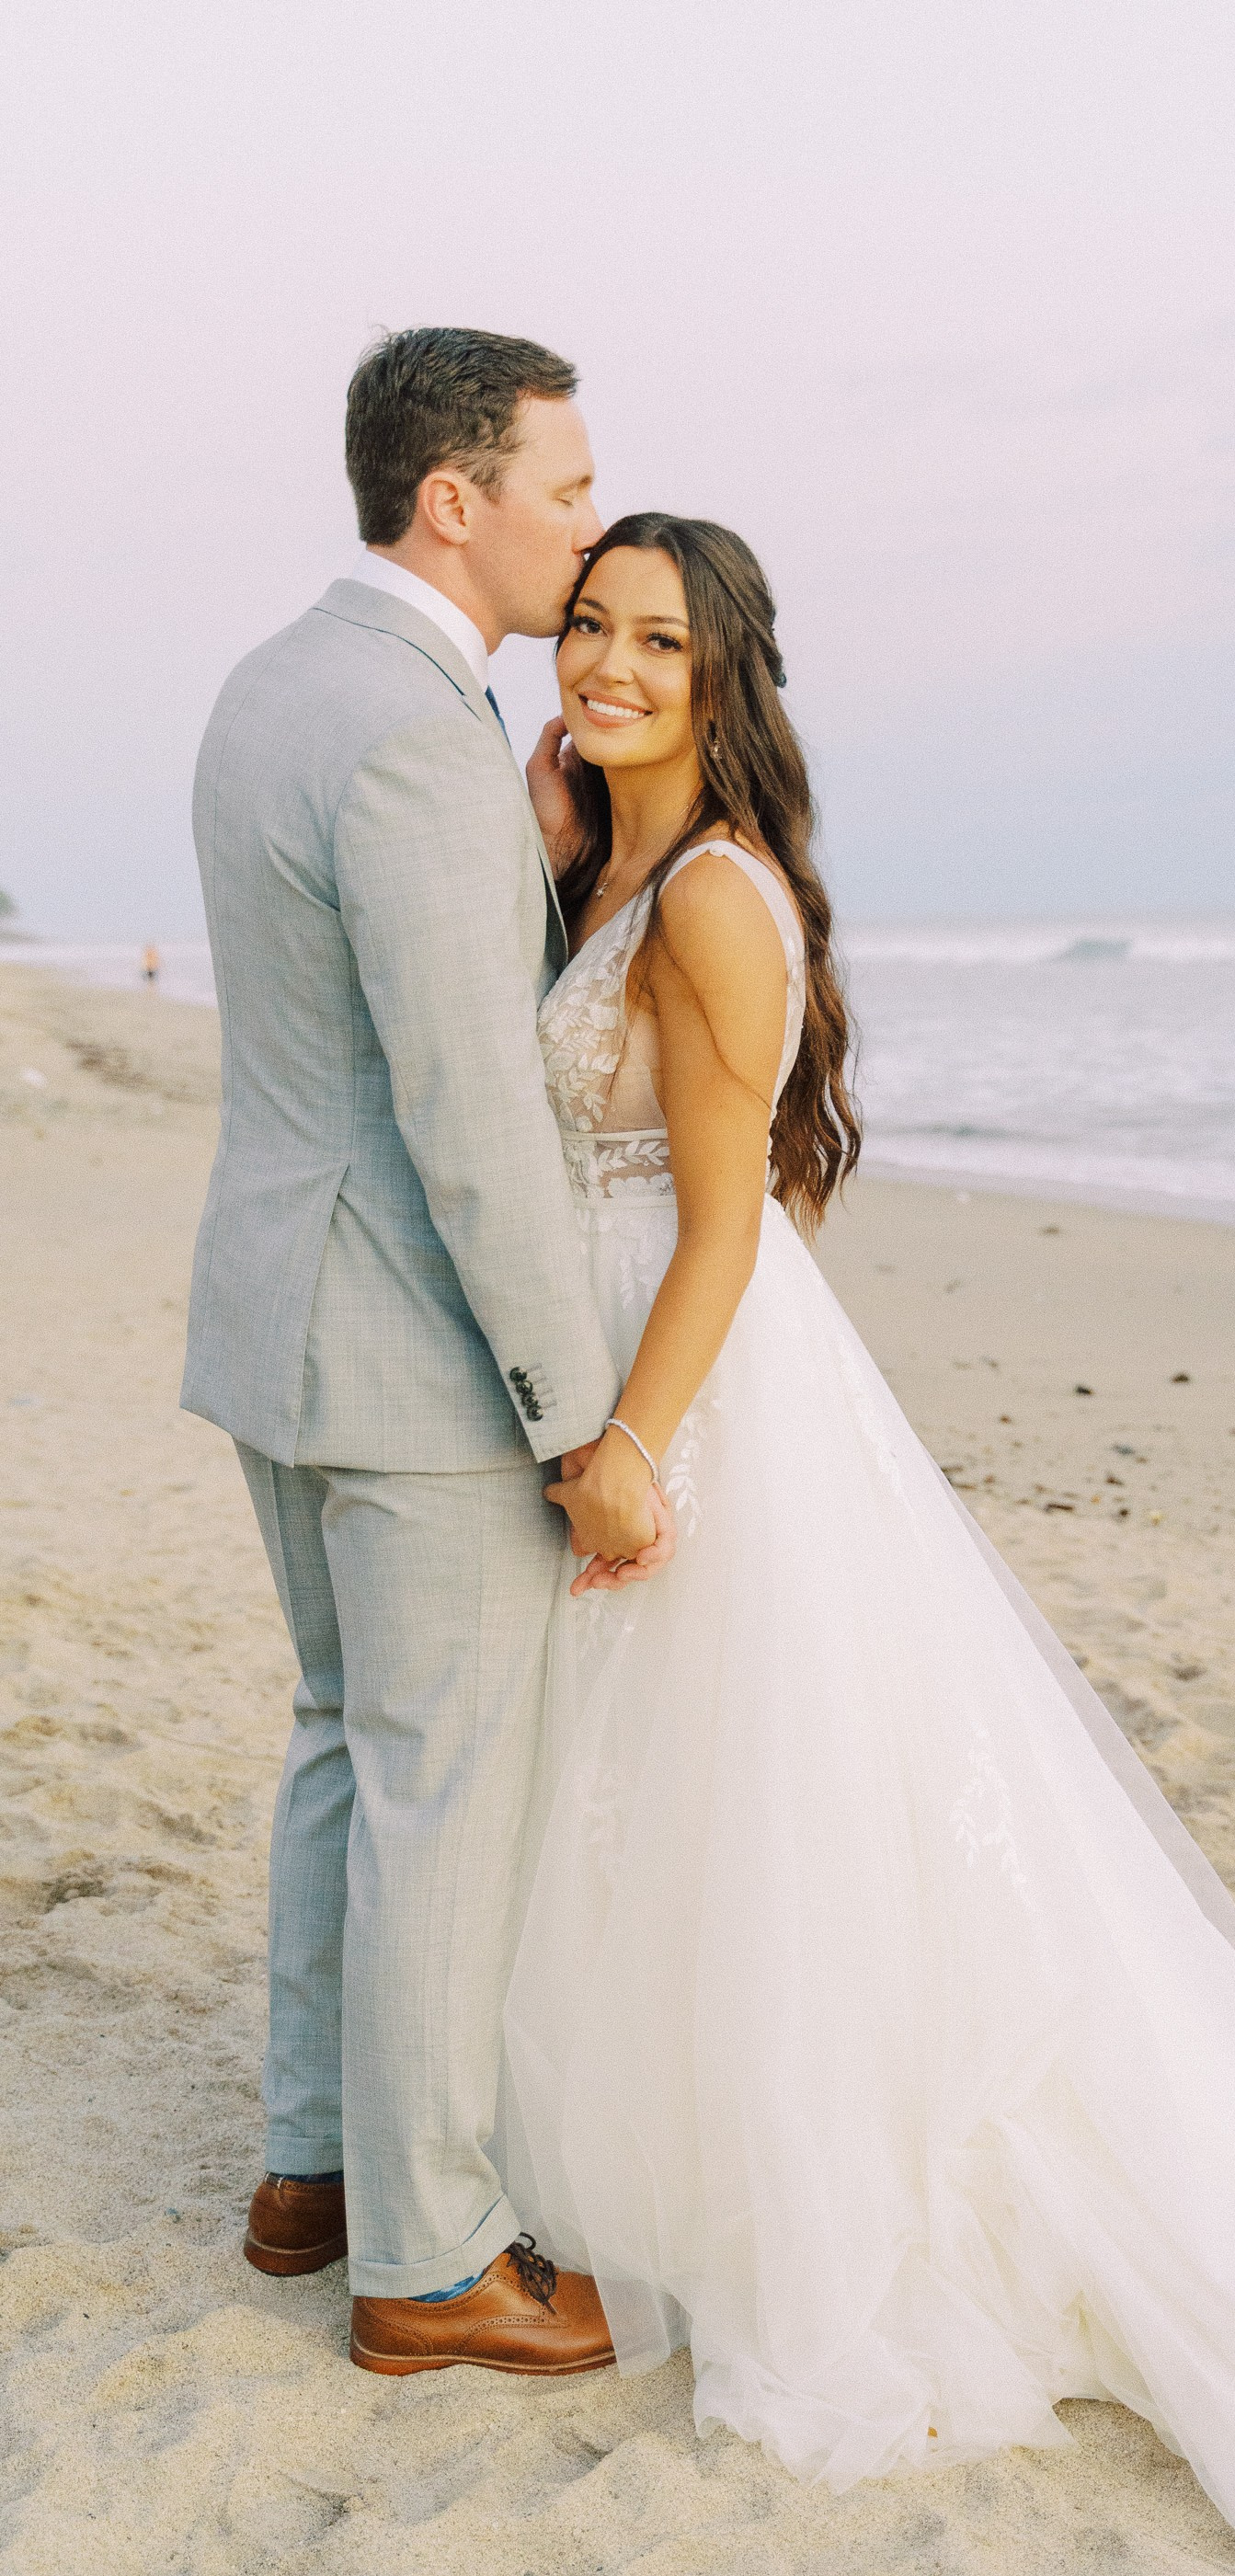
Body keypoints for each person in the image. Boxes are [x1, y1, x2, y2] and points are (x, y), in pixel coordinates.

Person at [497, 514, 1235, 2560]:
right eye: (587, 624)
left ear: (723, 676)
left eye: (654, 641)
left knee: (756, 1801)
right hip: (646, 1353)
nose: (604, 663)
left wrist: (634, 1445)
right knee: (673, 1800)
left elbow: (727, 1220)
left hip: (679, 1375)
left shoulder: (711, 902)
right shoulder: (608, 866)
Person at [184, 329, 672, 2376]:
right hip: (406, 1358)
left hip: (277, 1318)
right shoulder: (407, 731)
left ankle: (312, 2171)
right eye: (564, 489)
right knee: (441, 1795)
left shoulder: (273, 683)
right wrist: (582, 1417)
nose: (586, 524)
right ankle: (431, 2255)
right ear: (452, 498)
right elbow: (469, 1113)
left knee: (336, 1746)